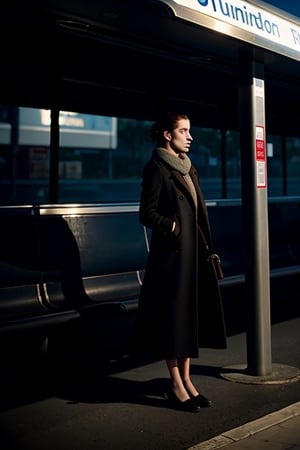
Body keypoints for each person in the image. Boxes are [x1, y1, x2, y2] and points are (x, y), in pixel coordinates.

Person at [134, 112, 227, 412]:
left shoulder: (188, 168)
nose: (190, 136)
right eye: (183, 131)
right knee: (173, 322)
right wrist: (173, 228)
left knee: (188, 320)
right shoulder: (157, 168)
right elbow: (146, 213)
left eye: (189, 131)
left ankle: (187, 381)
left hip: (193, 257)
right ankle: (175, 383)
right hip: (171, 259)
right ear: (167, 135)